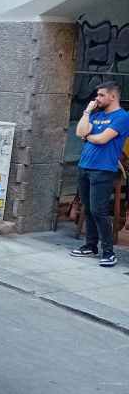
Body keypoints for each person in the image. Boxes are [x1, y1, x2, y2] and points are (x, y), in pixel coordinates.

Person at [71, 80, 129, 267]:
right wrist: (87, 111)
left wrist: (88, 137)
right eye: (97, 95)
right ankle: (90, 245)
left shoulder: (122, 117)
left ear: (113, 96)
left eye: (101, 95)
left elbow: (103, 139)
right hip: (85, 166)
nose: (97, 99)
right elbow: (79, 132)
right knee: (88, 209)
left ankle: (108, 252)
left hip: (103, 170)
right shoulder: (95, 115)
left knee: (99, 211)